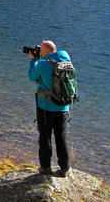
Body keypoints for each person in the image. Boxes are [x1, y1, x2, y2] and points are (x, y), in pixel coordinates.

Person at [27, 39, 72, 177]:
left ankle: (45, 167)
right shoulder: (66, 58)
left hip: (46, 107)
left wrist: (33, 60)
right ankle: (65, 168)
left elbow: (31, 76)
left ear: (45, 51)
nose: (39, 52)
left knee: (45, 137)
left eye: (41, 50)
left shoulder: (42, 64)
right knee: (61, 137)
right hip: (63, 107)